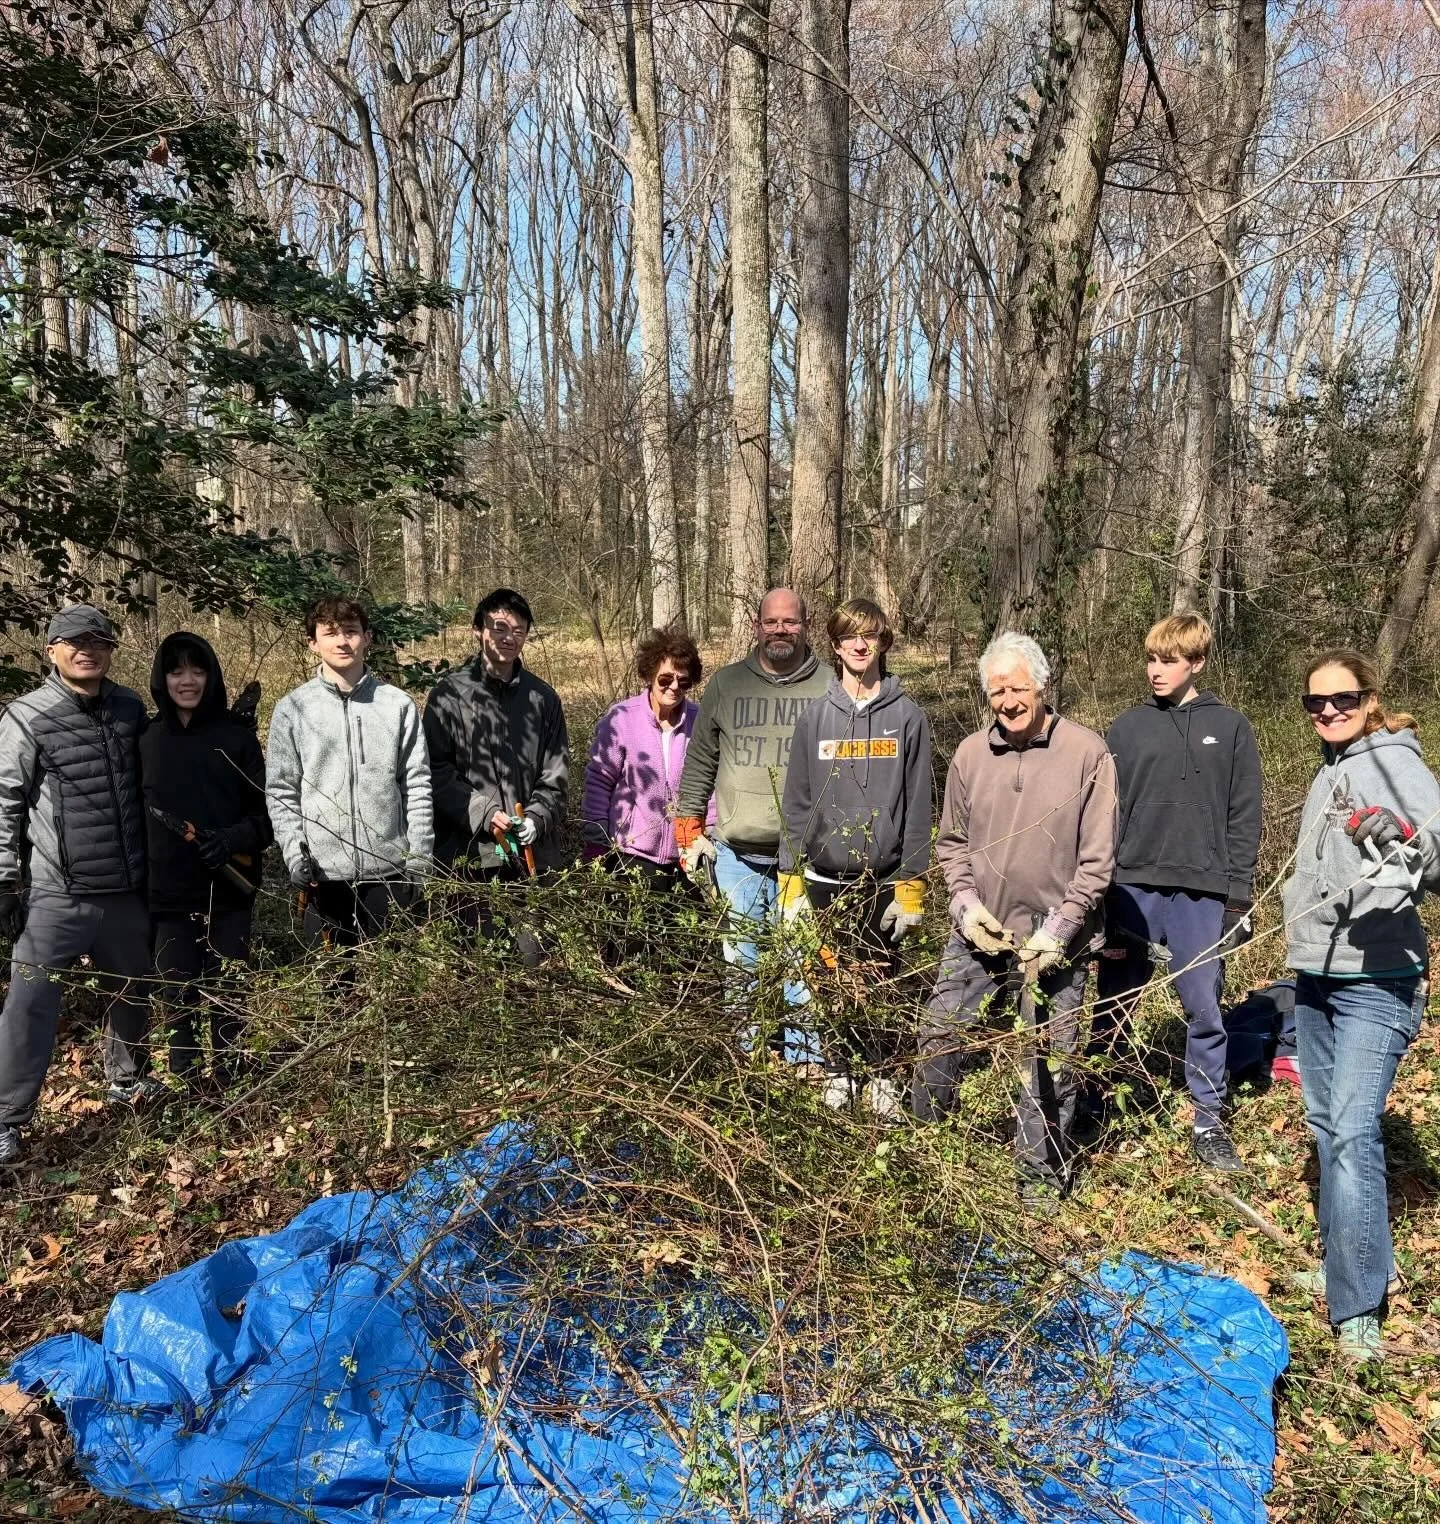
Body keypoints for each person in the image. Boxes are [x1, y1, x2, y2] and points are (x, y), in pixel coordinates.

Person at [914, 632, 1116, 1205]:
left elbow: (1098, 862)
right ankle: (926, 1146)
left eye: (1017, 687)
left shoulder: (1087, 753)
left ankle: (1038, 1176)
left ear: (1042, 685)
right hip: (980, 931)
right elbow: (951, 843)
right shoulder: (971, 755)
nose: (1006, 700)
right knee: (940, 1033)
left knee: (1050, 1056)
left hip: (1056, 939)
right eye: (996, 690)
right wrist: (966, 907)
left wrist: (1060, 931)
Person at [1281, 649, 1440, 1364]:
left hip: (1378, 979)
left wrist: (1409, 840)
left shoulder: (1393, 763)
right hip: (1316, 973)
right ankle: (1356, 1263)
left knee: (1350, 1132)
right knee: (1327, 1124)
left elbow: (1436, 852)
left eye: (1342, 699)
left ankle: (1359, 1310)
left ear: (1370, 698)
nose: (1329, 712)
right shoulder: (1328, 767)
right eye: (1315, 703)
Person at [1093, 614, 1263, 1170]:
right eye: (1151, 658)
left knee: (1202, 1004)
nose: (1156, 670)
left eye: (1169, 660)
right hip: (1130, 887)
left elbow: (1245, 815)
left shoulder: (1232, 727)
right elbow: (1104, 815)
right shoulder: (1125, 729)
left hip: (1203, 890)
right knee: (1115, 1000)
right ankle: (1092, 1102)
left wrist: (1238, 897)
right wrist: (1100, 894)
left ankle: (1209, 1121)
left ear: (1197, 662)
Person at [0, 605, 155, 1165]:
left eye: (98, 641)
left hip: (124, 891)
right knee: (29, 1007)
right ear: (52, 650)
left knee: (132, 993)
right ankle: (7, 1120)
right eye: (73, 642)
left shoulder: (130, 709)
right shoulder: (26, 716)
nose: (86, 650)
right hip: (55, 897)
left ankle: (128, 1080)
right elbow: (4, 799)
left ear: (111, 649)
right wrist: (4, 879)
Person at [778, 599, 932, 1115]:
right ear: (836, 646)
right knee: (830, 979)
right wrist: (790, 878)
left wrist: (913, 882)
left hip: (883, 878)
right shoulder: (814, 717)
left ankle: (883, 1070)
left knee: (880, 979)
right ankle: (841, 1067)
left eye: (869, 636)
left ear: (884, 642)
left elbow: (917, 806)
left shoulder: (907, 716)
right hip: (825, 877)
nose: (859, 646)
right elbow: (797, 803)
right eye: (849, 637)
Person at [673, 587, 831, 1059]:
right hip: (737, 857)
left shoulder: (830, 686)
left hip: (804, 863)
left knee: (802, 970)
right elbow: (701, 761)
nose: (780, 630)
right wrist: (688, 829)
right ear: (757, 627)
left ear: (805, 625)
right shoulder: (725, 685)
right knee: (743, 968)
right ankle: (753, 1063)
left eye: (791, 621)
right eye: (771, 622)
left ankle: (807, 1068)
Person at [141, 632, 271, 1088]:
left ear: (211, 675)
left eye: (197, 670)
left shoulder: (237, 739)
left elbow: (266, 818)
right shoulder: (147, 740)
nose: (187, 680)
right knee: (178, 995)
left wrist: (230, 838)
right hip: (167, 894)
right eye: (176, 670)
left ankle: (234, 1084)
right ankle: (189, 1089)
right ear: (163, 677)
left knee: (228, 992)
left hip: (230, 890)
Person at [267, 597, 432, 946]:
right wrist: (296, 856)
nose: (343, 641)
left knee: (391, 988)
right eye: (330, 633)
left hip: (390, 873)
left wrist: (418, 860)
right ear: (313, 643)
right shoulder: (292, 709)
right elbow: (282, 792)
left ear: (367, 638)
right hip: (322, 878)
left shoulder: (397, 705)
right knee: (335, 989)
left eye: (352, 632)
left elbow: (417, 785)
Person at [423, 589, 567, 964]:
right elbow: (435, 771)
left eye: (518, 630)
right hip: (470, 856)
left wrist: (536, 818)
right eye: (499, 627)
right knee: (477, 965)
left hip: (530, 860)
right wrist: (483, 813)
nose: (508, 637)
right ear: (478, 630)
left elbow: (555, 773)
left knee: (532, 962)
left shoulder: (543, 699)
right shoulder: (448, 696)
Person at [582, 628, 709, 882]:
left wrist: (710, 836)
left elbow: (712, 785)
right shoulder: (622, 719)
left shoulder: (700, 722)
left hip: (685, 858)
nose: (674, 687)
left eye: (683, 682)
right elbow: (599, 783)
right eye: (665, 679)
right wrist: (597, 840)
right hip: (629, 857)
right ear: (650, 674)